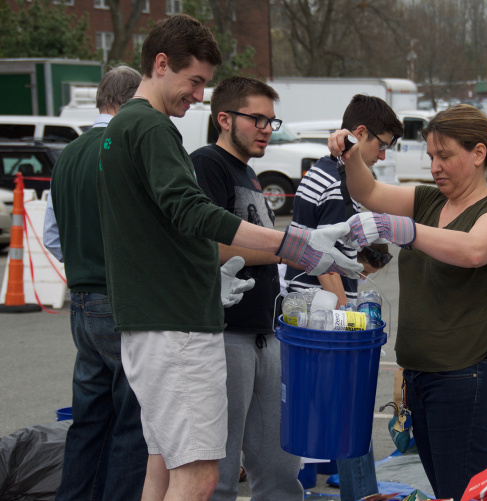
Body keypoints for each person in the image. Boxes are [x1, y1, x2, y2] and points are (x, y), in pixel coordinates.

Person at [95, 15, 361, 501]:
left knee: (162, 465)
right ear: (160, 64)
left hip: (149, 320)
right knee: (198, 477)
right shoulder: (153, 129)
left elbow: (157, 229)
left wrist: (203, 267)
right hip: (176, 323)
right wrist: (291, 246)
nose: (198, 96)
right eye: (194, 81)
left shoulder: (120, 129)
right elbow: (189, 210)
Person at [329, 104, 487, 501]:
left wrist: (407, 230)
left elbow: (473, 250)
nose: (435, 166)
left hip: (469, 379)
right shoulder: (429, 201)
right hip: (424, 379)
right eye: (431, 156)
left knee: (461, 494)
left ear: (479, 154)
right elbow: (367, 191)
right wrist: (350, 155)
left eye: (446, 156)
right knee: (446, 493)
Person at [285, 94, 403, 501]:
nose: (384, 154)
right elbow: (328, 263)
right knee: (349, 408)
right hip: (319, 305)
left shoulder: (322, 170)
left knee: (313, 408)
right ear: (360, 134)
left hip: (304, 301)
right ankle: (363, 494)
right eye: (381, 143)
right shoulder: (337, 181)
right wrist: (347, 319)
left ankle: (349, 489)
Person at [190, 76, 303, 501]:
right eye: (257, 119)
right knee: (214, 476)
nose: (266, 129)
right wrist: (290, 249)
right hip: (224, 337)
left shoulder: (250, 175)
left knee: (280, 467)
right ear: (224, 118)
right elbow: (212, 247)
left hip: (265, 335)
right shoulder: (206, 164)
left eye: (272, 122)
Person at [41, 65, 147, 501]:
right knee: (129, 421)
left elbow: (51, 235)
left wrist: (83, 263)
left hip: (82, 299)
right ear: (128, 102)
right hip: (119, 297)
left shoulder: (67, 154)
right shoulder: (119, 147)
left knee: (88, 419)